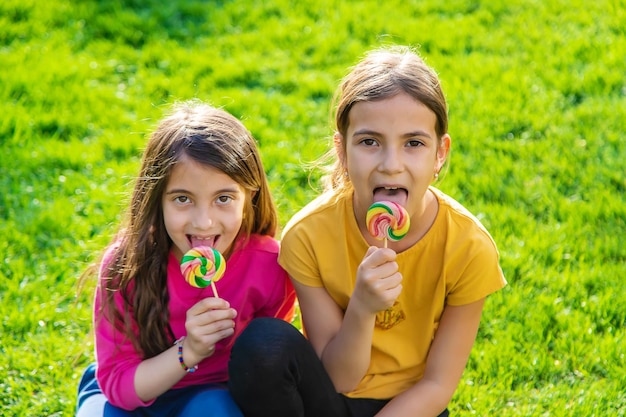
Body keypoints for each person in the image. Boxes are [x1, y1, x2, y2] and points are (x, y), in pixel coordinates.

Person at [228, 45, 507, 417]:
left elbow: (438, 385)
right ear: (342, 151)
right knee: (262, 346)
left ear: (440, 153)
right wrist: (361, 308)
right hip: (327, 398)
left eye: (413, 143)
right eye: (369, 142)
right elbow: (339, 378)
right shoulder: (308, 237)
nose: (392, 165)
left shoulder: (468, 248)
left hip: (411, 407)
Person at [75, 99, 296, 417]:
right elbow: (118, 386)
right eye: (182, 199)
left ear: (250, 196)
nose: (203, 222)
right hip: (134, 394)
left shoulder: (269, 266)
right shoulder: (126, 268)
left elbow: (265, 363)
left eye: (223, 198)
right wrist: (189, 350)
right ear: (156, 200)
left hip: (211, 395)